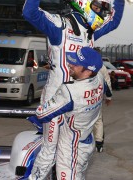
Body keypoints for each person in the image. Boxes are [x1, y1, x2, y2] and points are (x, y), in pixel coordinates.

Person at [23, 0, 128, 179]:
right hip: (56, 102)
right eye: (98, 7)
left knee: (73, 155)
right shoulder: (59, 26)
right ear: (85, 1)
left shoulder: (90, 34)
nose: (101, 13)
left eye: (103, 9)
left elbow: (115, 21)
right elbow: (29, 12)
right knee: (49, 153)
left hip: (77, 107)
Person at [35, 47, 107, 179]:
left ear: (88, 70)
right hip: (86, 140)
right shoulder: (100, 78)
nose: (70, 64)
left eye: (76, 63)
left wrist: (53, 99)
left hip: (71, 148)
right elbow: (107, 92)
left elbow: (42, 114)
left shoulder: (70, 91)